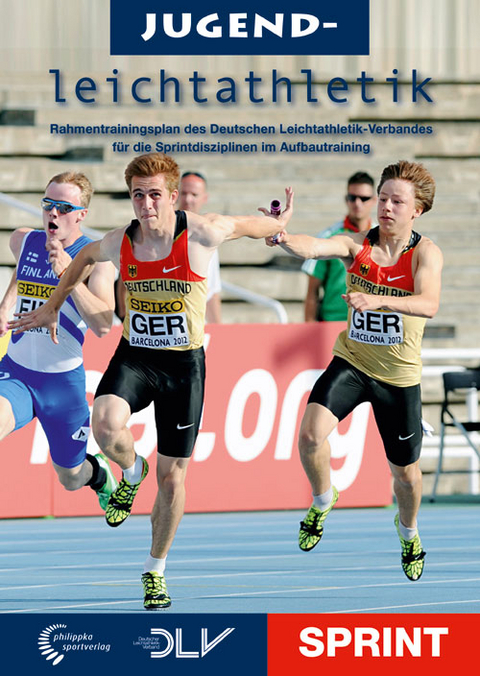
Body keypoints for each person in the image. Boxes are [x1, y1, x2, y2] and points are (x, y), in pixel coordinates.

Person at [10, 153, 294, 610]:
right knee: (103, 424)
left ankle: (154, 570)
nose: (145, 204)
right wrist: (50, 305)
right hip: (136, 355)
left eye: (154, 195)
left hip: (184, 367)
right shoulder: (122, 240)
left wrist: (277, 228)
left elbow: (246, 225)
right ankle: (131, 468)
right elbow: (82, 256)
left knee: (173, 478)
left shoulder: (200, 232)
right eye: (137, 195)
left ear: (173, 196)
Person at [265, 160, 442, 582]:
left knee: (405, 475)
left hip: (398, 378)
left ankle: (408, 531)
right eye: (383, 198)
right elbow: (314, 247)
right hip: (353, 362)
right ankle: (324, 498)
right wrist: (283, 236)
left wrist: (381, 301)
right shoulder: (357, 246)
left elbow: (429, 304)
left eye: (397, 201)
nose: (386, 207)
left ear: (416, 209)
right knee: (309, 436)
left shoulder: (425, 253)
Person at [0, 171, 117, 509]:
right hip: (16, 374)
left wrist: (69, 274)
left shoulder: (96, 260)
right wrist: (7, 302)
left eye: (64, 208)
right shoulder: (23, 239)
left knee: (70, 478)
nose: (53, 213)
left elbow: (103, 324)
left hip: (62, 387)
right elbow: (23, 268)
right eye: (48, 204)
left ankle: (97, 473)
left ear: (82, 215)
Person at [303, 171, 376, 322]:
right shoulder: (329, 236)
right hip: (333, 322)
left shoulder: (384, 238)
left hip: (370, 325)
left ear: (374, 200)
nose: (357, 203)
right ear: (346, 199)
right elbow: (312, 291)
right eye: (352, 197)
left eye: (364, 198)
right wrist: (309, 328)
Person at [178, 171, 222, 323]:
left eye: (194, 194)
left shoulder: (209, 234)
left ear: (204, 198)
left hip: (196, 328)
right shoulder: (158, 230)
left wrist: (218, 330)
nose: (188, 199)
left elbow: (212, 291)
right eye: (183, 193)